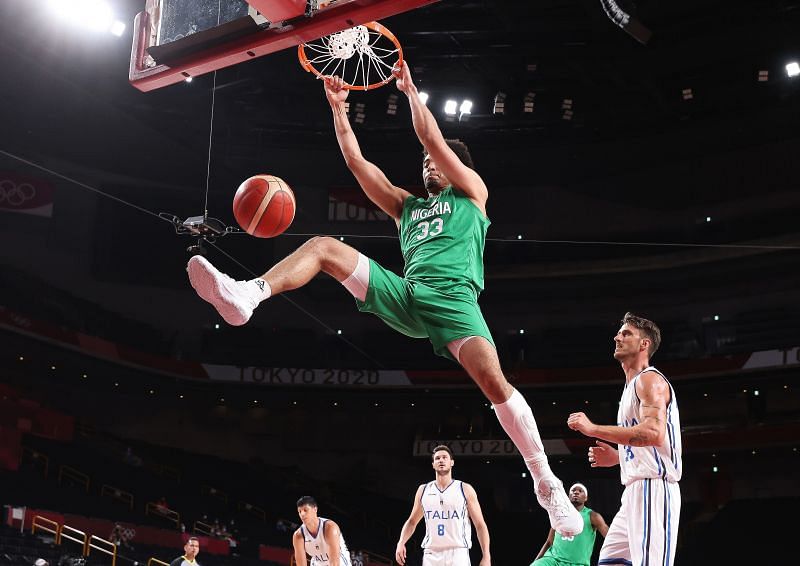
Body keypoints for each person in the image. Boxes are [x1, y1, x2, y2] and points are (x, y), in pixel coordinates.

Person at [186, 60, 581, 536]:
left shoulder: (473, 194)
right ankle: (248, 294)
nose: (428, 164)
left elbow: (432, 140)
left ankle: (545, 482)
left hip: (455, 301)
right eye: (424, 165)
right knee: (324, 248)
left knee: (494, 383)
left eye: (436, 162)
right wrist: (338, 111)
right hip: (409, 295)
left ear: (458, 169)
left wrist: (414, 94)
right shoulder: (405, 207)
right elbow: (356, 163)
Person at [567, 313, 682, 566]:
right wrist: (620, 457)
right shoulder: (630, 387)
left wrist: (593, 428)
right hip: (633, 491)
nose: (617, 337)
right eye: (619, 333)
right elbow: (650, 444)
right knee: (611, 561)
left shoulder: (650, 380)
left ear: (644, 344)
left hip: (654, 488)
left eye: (626, 333)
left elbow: (653, 433)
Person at [395, 445, 490, 566]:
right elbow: (412, 521)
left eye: (445, 457)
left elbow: (480, 525)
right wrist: (401, 542)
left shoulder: (464, 489)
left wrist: (486, 555)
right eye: (437, 458)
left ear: (452, 462)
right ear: (433, 464)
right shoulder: (423, 490)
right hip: (431, 553)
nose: (441, 460)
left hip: (457, 552)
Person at [530, 483, 608, 566]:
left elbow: (610, 537)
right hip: (553, 560)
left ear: (586, 498)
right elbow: (549, 542)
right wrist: (535, 561)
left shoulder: (592, 516)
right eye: (573, 491)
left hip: (577, 564)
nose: (576, 492)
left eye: (580, 491)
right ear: (568, 496)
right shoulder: (559, 513)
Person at [293, 496, 352, 566]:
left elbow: (335, 562)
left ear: (315, 509)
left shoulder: (330, 528)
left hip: (339, 560)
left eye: (305, 510)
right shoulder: (298, 535)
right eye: (299, 511)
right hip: (318, 562)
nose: (302, 514)